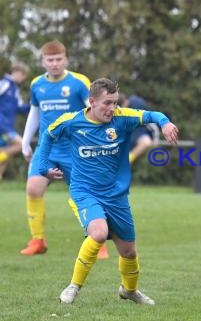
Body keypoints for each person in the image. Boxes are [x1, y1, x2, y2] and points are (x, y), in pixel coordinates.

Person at [37, 78, 178, 304]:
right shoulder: (72, 121)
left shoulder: (122, 118)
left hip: (116, 195)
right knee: (99, 233)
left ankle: (129, 291)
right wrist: (43, 166)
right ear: (92, 102)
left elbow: (152, 115)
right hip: (85, 191)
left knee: (129, 252)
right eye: (106, 103)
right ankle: (74, 286)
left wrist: (166, 123)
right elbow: (47, 135)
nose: (112, 108)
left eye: (114, 102)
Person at [19, 40, 111, 258]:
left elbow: (93, 111)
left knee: (84, 194)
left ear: (66, 59)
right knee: (33, 189)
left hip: (75, 149)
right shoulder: (36, 84)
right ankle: (38, 241)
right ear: (42, 61)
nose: (54, 63)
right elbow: (35, 112)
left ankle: (98, 241)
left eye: (58, 59)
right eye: (50, 60)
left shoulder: (79, 82)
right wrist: (25, 140)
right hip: (47, 149)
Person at [0, 62, 30, 180]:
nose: (23, 80)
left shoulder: (15, 89)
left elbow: (19, 107)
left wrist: (33, 105)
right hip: (2, 124)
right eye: (23, 76)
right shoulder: (5, 83)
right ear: (18, 73)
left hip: (8, 125)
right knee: (21, 144)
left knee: (4, 156)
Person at [118, 94, 159, 164]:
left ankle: (128, 160)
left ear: (125, 102)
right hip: (128, 131)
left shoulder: (137, 104)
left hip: (140, 130)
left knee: (146, 142)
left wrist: (156, 138)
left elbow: (151, 121)